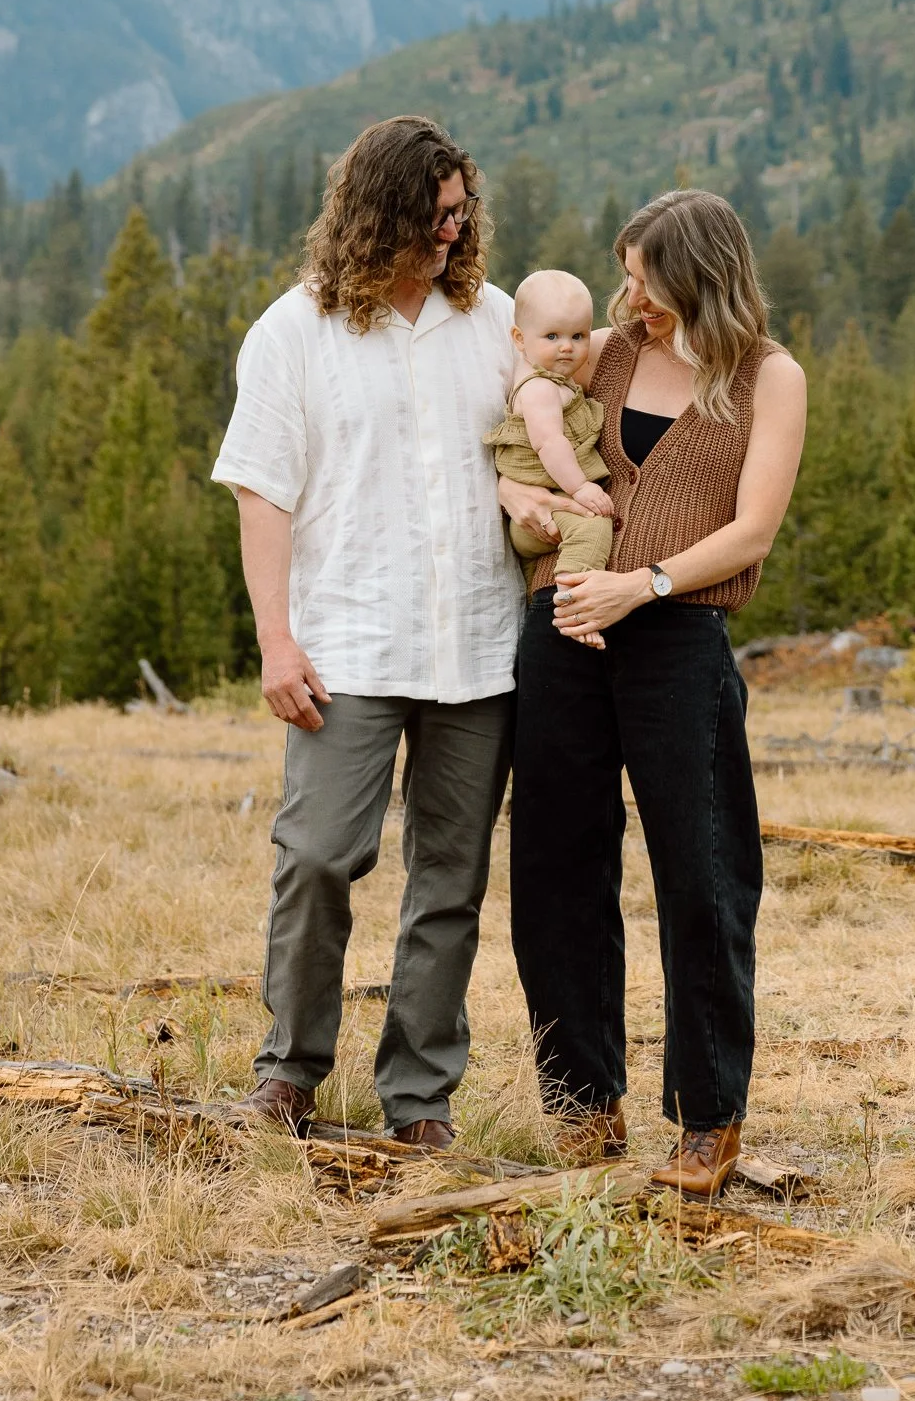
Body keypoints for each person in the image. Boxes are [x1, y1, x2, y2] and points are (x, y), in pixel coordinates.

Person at [211, 114, 520, 1150]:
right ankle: (288, 1071)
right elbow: (262, 495)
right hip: (345, 641)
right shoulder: (294, 332)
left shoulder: (496, 323)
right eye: (433, 214)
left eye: (459, 210)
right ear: (378, 211)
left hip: (478, 647)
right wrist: (275, 640)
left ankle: (419, 1098)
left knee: (451, 878)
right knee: (316, 856)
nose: (451, 231)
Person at [499, 189, 807, 1200]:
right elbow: (520, 408)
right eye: (622, 273)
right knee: (556, 863)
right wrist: (520, 496)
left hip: (676, 635)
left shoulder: (768, 377)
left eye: (639, 275)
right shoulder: (608, 353)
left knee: (704, 873)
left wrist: (647, 582)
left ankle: (706, 1120)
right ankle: (581, 1101)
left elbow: (752, 529)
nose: (623, 293)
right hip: (565, 625)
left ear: (696, 275)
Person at [483, 268, 614, 585]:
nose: (567, 347)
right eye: (552, 336)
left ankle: (540, 600)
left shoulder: (554, 380)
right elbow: (550, 443)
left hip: (547, 502)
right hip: (546, 502)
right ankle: (574, 593)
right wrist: (580, 488)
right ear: (519, 338)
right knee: (592, 527)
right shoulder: (539, 388)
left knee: (530, 583)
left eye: (578, 336)